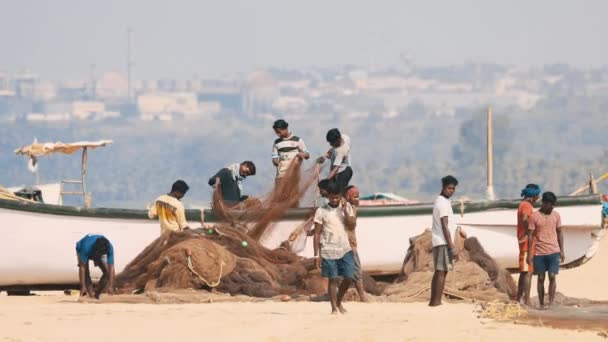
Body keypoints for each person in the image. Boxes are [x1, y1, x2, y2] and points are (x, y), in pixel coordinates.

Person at [313, 181, 357, 314]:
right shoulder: (321, 211)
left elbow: (351, 225)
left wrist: (344, 211)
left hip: (345, 248)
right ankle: (333, 308)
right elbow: (317, 233)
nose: (335, 200)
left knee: (349, 277)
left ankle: (338, 300)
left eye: (337, 197)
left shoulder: (346, 207)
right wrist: (316, 255)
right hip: (328, 249)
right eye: (332, 198)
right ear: (328, 197)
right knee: (333, 279)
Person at [527, 191, 564, 308]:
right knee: (541, 278)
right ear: (543, 203)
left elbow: (560, 232)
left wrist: (562, 250)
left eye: (553, 205)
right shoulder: (534, 216)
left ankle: (551, 303)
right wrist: (529, 254)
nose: (551, 207)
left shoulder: (556, 215)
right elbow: (530, 236)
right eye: (549, 204)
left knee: (552, 276)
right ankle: (542, 303)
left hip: (554, 251)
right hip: (539, 252)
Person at [429, 175, 459, 307]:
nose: (451, 191)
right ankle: (436, 301)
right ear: (443, 187)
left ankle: (434, 301)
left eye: (453, 189)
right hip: (442, 241)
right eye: (449, 188)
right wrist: (452, 246)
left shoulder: (445, 201)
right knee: (441, 271)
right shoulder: (441, 203)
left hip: (441, 241)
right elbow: (444, 226)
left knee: (441, 271)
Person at [516, 183, 541, 305]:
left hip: (523, 241)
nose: (538, 199)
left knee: (524, 271)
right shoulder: (527, 206)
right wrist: (530, 232)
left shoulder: (522, 204)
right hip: (527, 242)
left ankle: (518, 297)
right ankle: (527, 300)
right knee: (528, 271)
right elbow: (525, 219)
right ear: (533, 196)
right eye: (537, 196)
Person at [344, 185, 369, 302]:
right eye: (355, 196)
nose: (358, 199)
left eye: (358, 196)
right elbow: (351, 224)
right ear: (348, 197)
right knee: (357, 270)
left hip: (351, 243)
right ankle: (362, 297)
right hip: (347, 245)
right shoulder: (346, 208)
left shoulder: (352, 208)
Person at [75, 234, 115, 299]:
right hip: (83, 249)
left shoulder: (109, 247)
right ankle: (91, 295)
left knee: (107, 272)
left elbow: (111, 267)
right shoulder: (85, 247)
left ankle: (97, 294)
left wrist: (111, 286)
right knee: (86, 272)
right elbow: (82, 268)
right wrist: (82, 286)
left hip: (98, 250)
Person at [323, 128, 352, 195]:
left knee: (339, 193)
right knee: (332, 192)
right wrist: (330, 151)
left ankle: (343, 204)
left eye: (332, 142)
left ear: (338, 140)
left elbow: (336, 168)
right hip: (338, 171)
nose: (330, 144)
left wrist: (326, 181)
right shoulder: (345, 137)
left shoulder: (341, 151)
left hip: (343, 171)